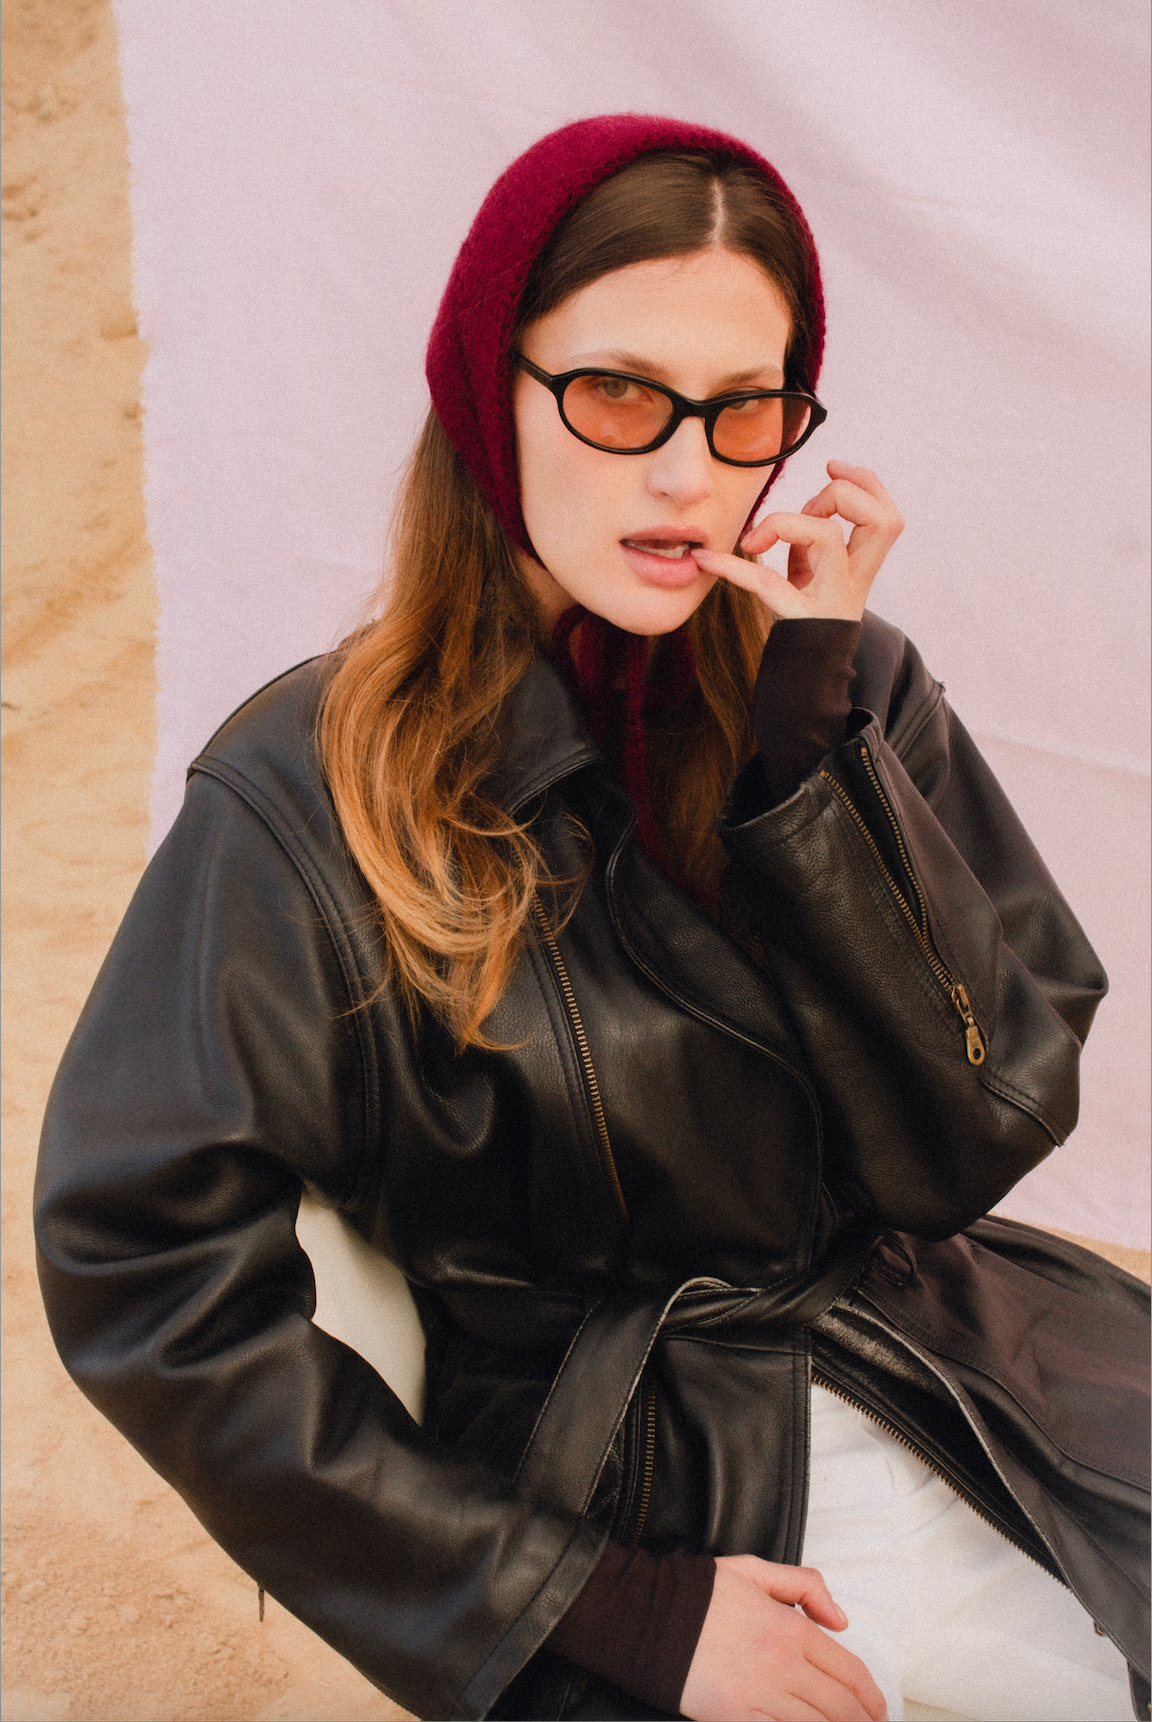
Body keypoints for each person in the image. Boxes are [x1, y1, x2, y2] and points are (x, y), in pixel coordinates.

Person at [35, 115, 1149, 1722]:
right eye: (621, 394)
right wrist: (601, 1602)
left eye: (744, 407)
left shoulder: (834, 682)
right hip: (631, 1472)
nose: (691, 472)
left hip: (950, 1359)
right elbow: (140, 1264)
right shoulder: (318, 785)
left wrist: (808, 757)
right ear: (492, 387)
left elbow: (969, 1138)